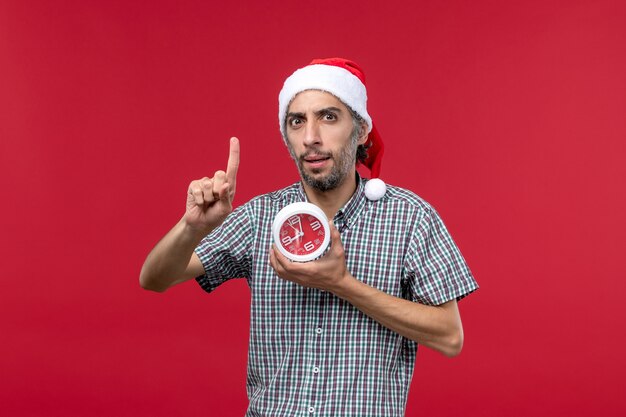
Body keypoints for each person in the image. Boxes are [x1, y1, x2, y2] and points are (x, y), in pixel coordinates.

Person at [140, 57, 478, 416]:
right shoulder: (261, 216)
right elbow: (155, 278)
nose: (310, 137)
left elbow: (449, 336)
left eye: (328, 117)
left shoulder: (410, 217)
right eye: (297, 121)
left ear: (361, 129)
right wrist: (192, 227)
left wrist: (342, 283)